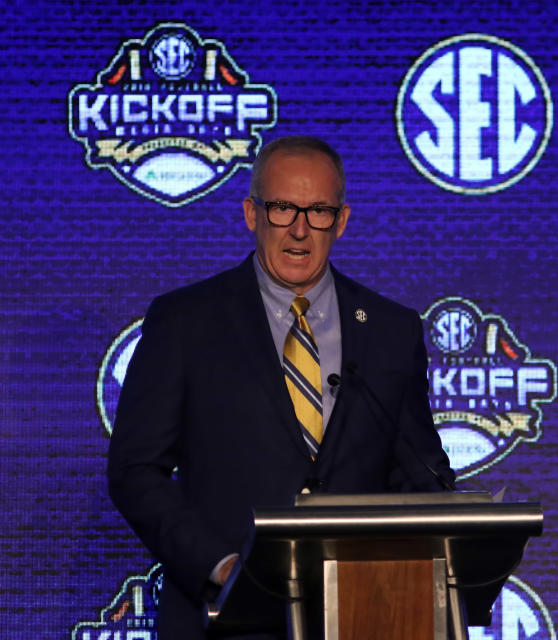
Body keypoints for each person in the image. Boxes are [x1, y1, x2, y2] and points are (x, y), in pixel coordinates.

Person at [107, 136, 456, 639]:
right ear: (251, 213)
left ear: (342, 220)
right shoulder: (186, 322)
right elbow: (135, 470)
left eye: (317, 210)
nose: (298, 229)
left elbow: (418, 471)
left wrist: (449, 522)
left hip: (362, 616)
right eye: (282, 208)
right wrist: (219, 567)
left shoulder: (389, 330)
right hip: (225, 620)